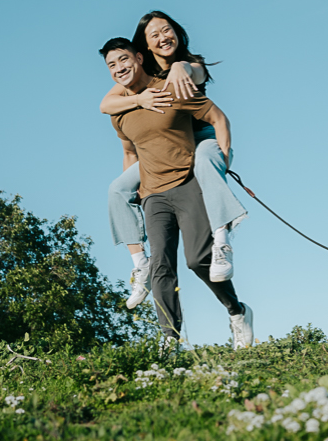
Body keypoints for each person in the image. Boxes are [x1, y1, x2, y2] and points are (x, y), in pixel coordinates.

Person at [100, 37, 254, 348]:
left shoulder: (169, 88)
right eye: (111, 65)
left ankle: (237, 311)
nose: (119, 69)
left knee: (199, 261)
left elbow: (217, 117)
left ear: (140, 58)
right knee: (161, 267)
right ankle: (170, 340)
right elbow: (129, 152)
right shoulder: (119, 111)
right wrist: (135, 193)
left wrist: (222, 161)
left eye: (123, 60)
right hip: (153, 194)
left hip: (188, 183)